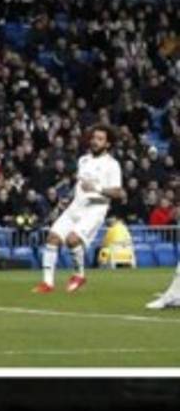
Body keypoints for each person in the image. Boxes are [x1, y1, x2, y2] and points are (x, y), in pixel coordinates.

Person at [34, 125, 123, 294]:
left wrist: (97, 188)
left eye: (100, 139)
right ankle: (47, 283)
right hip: (76, 206)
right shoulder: (83, 160)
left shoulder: (112, 165)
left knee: (72, 240)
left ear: (108, 144)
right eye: (94, 138)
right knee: (52, 237)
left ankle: (79, 275)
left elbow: (118, 192)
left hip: (96, 207)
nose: (95, 142)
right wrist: (68, 199)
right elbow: (80, 185)